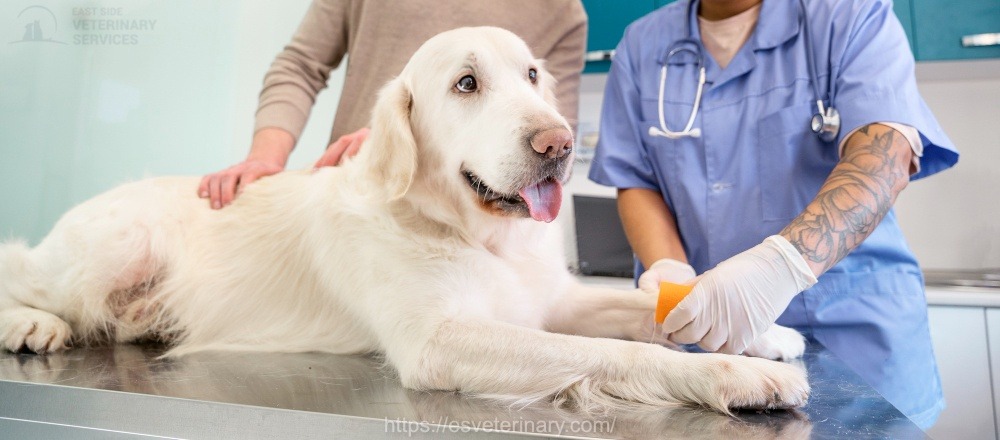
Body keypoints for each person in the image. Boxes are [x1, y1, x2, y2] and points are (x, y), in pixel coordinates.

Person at [589, 0, 958, 429]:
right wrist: (669, 269)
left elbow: (886, 154)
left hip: (854, 337)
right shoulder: (642, 43)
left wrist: (781, 266)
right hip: (708, 345)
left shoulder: (851, 14)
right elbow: (637, 180)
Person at [199, 0, 587, 209]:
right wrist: (264, 158)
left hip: (482, 225)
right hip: (363, 196)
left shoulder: (564, 11)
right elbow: (301, 65)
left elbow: (553, 128)